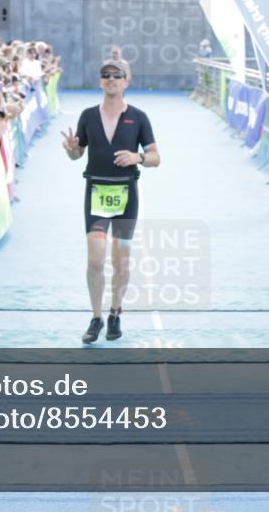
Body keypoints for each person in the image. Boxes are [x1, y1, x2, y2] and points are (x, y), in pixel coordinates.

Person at [60, 60, 160, 343]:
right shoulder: (88, 116)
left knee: (121, 261)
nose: (111, 79)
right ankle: (96, 317)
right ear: (101, 82)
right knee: (94, 259)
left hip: (127, 196)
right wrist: (71, 149)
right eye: (106, 75)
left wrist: (137, 157)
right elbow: (77, 154)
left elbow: (155, 157)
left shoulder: (138, 117)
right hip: (96, 195)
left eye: (117, 75)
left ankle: (115, 312)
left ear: (127, 81)